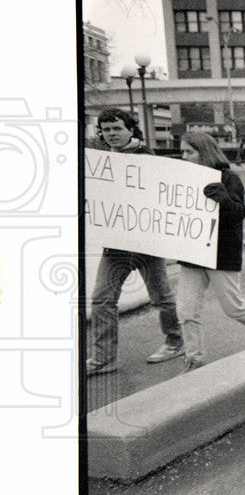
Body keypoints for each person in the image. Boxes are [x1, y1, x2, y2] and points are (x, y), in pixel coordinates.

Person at [86, 108, 184, 376]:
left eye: (117, 128)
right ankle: (104, 358)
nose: (111, 134)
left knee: (161, 297)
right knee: (101, 299)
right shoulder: (101, 161)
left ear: (131, 129)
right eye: (106, 130)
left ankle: (176, 340)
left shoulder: (146, 158)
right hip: (116, 246)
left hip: (145, 244)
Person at [174, 132, 245, 373]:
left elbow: (239, 214)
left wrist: (224, 200)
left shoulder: (229, 178)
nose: (184, 156)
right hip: (192, 252)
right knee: (186, 309)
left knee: (233, 306)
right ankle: (195, 359)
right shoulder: (182, 178)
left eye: (189, 151)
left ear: (205, 152)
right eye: (183, 151)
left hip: (222, 253)